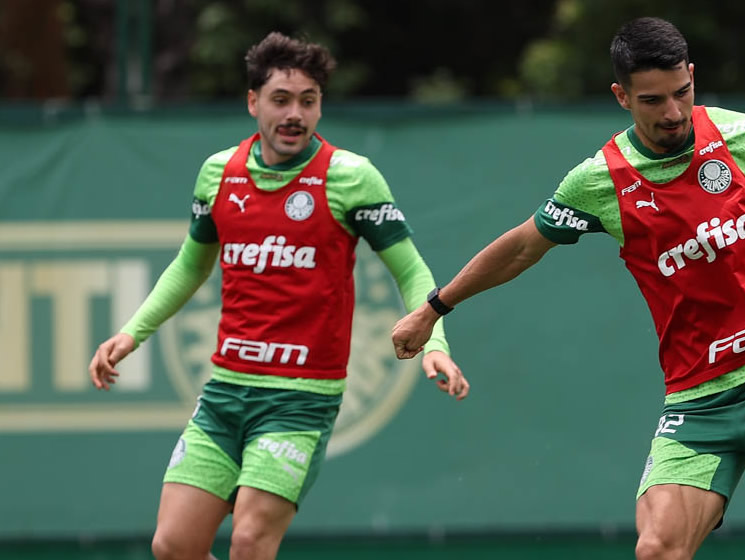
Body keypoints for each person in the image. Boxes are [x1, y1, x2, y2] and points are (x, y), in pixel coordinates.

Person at [392, 17, 745, 560]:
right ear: (621, 97)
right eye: (652, 100)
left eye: (681, 92)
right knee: (657, 550)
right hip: (699, 404)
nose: (673, 112)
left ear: (692, 76)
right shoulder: (599, 182)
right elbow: (521, 246)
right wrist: (435, 307)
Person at [88, 32, 469, 560]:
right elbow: (189, 266)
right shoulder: (219, 173)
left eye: (308, 101)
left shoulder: (350, 177)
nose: (295, 114)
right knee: (173, 545)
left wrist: (435, 343)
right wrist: (131, 334)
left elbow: (411, 269)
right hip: (224, 393)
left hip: (301, 400)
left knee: (249, 542)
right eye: (281, 99)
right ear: (253, 102)